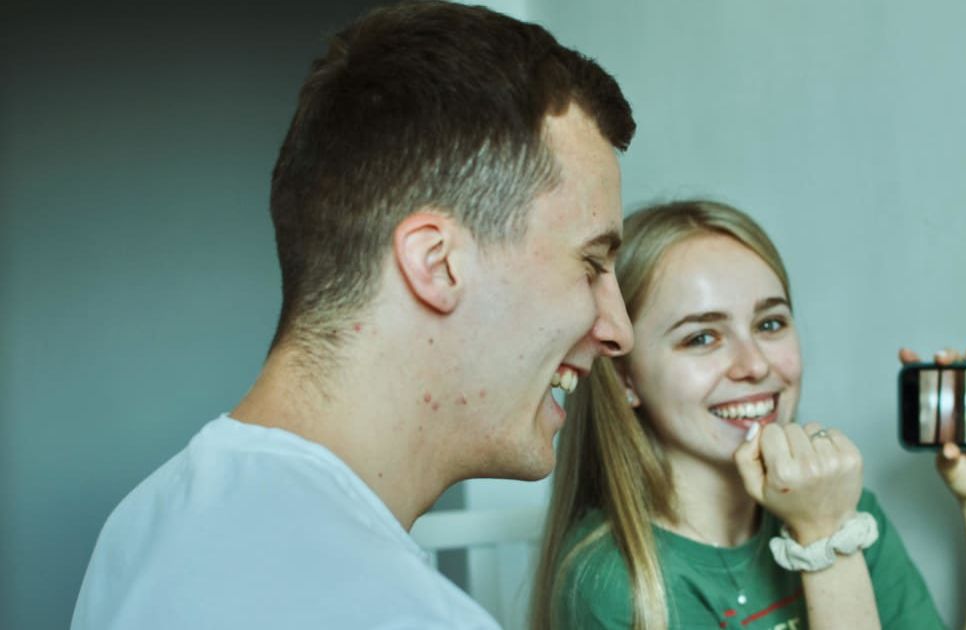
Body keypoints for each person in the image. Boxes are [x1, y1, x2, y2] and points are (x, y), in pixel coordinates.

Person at [72, 2, 636, 628]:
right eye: (591, 265)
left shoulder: (146, 521)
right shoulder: (389, 611)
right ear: (438, 263)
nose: (617, 330)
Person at [531, 200, 966, 630]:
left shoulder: (840, 508)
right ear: (625, 379)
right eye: (702, 337)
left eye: (770, 323)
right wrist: (826, 541)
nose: (755, 365)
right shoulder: (612, 582)